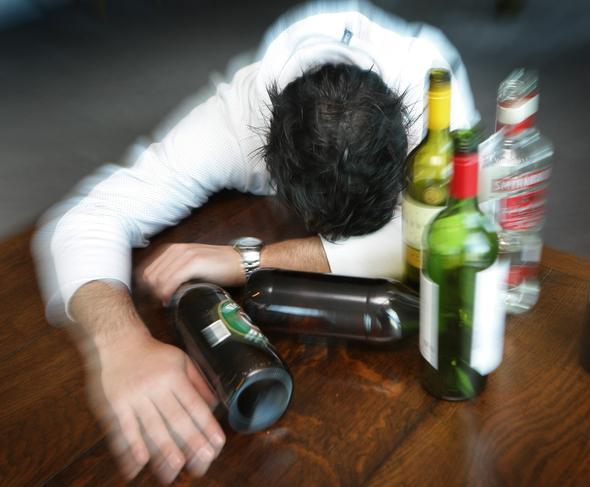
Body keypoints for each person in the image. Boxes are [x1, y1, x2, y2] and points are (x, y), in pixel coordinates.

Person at [32, 1, 479, 483]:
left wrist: (251, 260)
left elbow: (450, 237)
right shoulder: (235, 119)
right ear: (265, 159)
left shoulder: (436, 93)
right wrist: (120, 345)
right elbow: (89, 218)